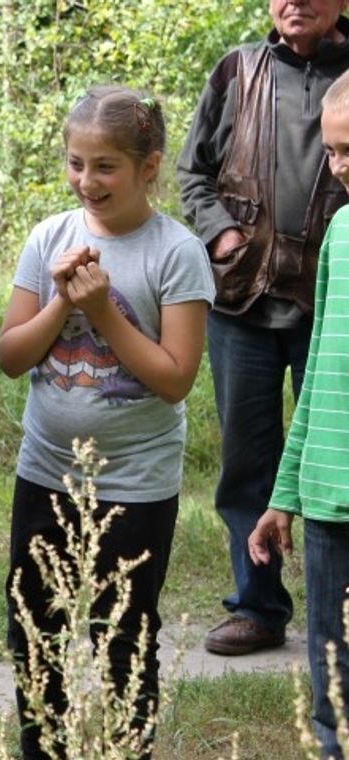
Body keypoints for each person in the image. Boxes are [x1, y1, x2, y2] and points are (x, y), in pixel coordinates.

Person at [0, 87, 214, 759]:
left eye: (105, 166)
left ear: (149, 167)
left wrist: (106, 312)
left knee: (123, 643)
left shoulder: (175, 252)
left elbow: (175, 377)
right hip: (46, 474)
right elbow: (10, 356)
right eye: (75, 164)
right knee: (38, 640)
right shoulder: (48, 238)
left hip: (136, 484)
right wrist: (62, 304)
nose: (86, 181)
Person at [177, 0, 349, 657]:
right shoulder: (237, 70)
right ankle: (257, 607)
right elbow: (193, 172)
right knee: (247, 464)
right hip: (240, 305)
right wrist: (219, 231)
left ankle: (340, 613)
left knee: (339, 461)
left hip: (334, 310)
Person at [249, 69, 349, 759]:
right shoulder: (339, 230)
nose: (340, 169)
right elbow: (315, 373)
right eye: (335, 152)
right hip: (325, 498)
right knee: (332, 673)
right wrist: (284, 492)